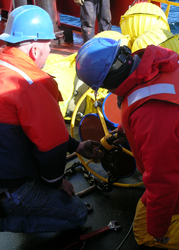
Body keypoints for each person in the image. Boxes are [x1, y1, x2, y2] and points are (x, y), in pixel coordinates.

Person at [0, 5, 103, 233]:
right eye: (49, 45)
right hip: (7, 186)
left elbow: (34, 131)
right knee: (78, 214)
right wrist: (54, 182)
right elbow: (52, 148)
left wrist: (77, 146)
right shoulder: (32, 86)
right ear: (34, 50)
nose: (50, 51)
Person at [75, 37, 179, 249]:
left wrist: (159, 230)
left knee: (146, 234)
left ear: (107, 82)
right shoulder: (158, 63)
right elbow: (149, 97)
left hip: (171, 174)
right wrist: (125, 130)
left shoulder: (150, 116)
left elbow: (163, 179)